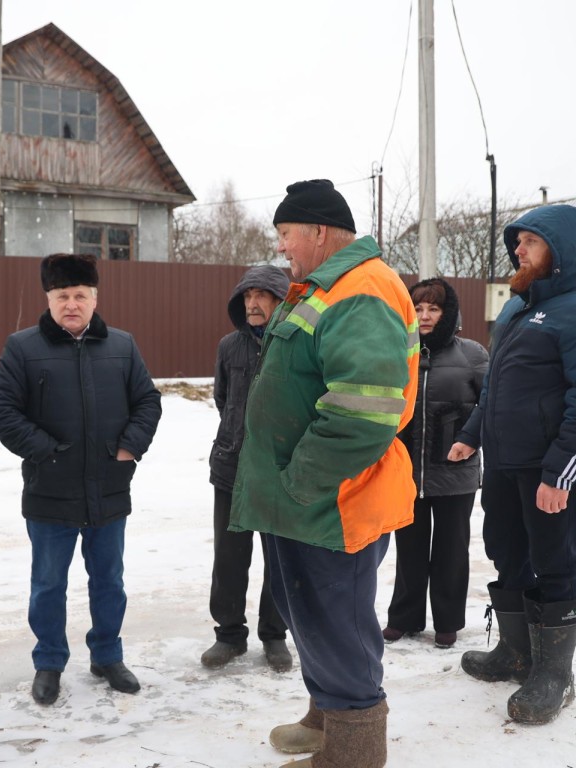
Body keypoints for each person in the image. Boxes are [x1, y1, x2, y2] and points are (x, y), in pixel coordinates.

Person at [231, 179, 419, 768]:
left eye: (286, 235)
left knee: (336, 623)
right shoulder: (326, 285)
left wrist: (301, 481)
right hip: (305, 501)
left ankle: (355, 748)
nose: (282, 248)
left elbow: (363, 414)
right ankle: (327, 713)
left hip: (332, 500)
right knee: (305, 613)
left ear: (318, 231)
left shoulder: (361, 291)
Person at [0, 253, 162, 706]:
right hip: (50, 490)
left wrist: (128, 449)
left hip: (108, 487)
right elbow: (0, 411)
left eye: (80, 295)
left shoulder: (122, 346)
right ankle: (49, 662)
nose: (71, 304)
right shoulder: (22, 347)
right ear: (49, 298)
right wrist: (44, 450)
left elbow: (147, 402)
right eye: (62, 295)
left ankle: (107, 655)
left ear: (95, 298)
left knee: (109, 581)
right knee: (48, 583)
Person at [449, 203, 576, 724]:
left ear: (561, 253)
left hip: (546, 469)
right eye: (517, 242)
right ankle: (517, 653)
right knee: (506, 552)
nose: (518, 250)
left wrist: (558, 473)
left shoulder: (571, 310)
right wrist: (471, 436)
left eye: (531, 242)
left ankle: (555, 676)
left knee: (556, 563)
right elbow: (498, 388)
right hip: (503, 464)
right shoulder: (514, 309)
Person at [382, 278, 488, 650]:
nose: (424, 316)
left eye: (434, 308)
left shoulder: (472, 355)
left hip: (455, 473)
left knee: (451, 550)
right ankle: (404, 618)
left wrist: (470, 438)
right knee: (408, 548)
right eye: (418, 308)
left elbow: (490, 404)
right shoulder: (398, 352)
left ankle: (447, 621)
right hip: (407, 473)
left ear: (448, 314)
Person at [202, 265, 293, 672]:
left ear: (280, 300)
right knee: (229, 557)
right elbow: (224, 400)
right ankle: (229, 635)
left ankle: (274, 635)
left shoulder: (295, 342)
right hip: (232, 467)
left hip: (278, 469)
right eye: (247, 296)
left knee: (279, 559)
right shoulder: (228, 347)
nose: (253, 304)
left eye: (262, 295)